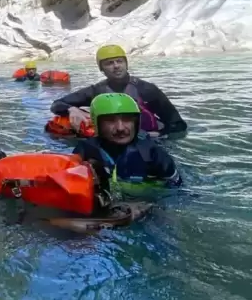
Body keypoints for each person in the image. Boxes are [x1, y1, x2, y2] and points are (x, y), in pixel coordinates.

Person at [50, 44, 187, 136]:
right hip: (115, 141)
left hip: (152, 142)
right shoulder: (96, 91)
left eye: (119, 61)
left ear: (126, 64)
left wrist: (158, 135)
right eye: (109, 63)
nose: (116, 66)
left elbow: (178, 125)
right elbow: (56, 104)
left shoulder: (147, 89)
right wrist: (72, 109)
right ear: (101, 69)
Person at [72, 93, 182, 197]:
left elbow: (177, 189)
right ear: (97, 124)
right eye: (110, 121)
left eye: (127, 119)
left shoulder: (152, 153)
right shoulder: (85, 149)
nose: (120, 128)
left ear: (136, 122)